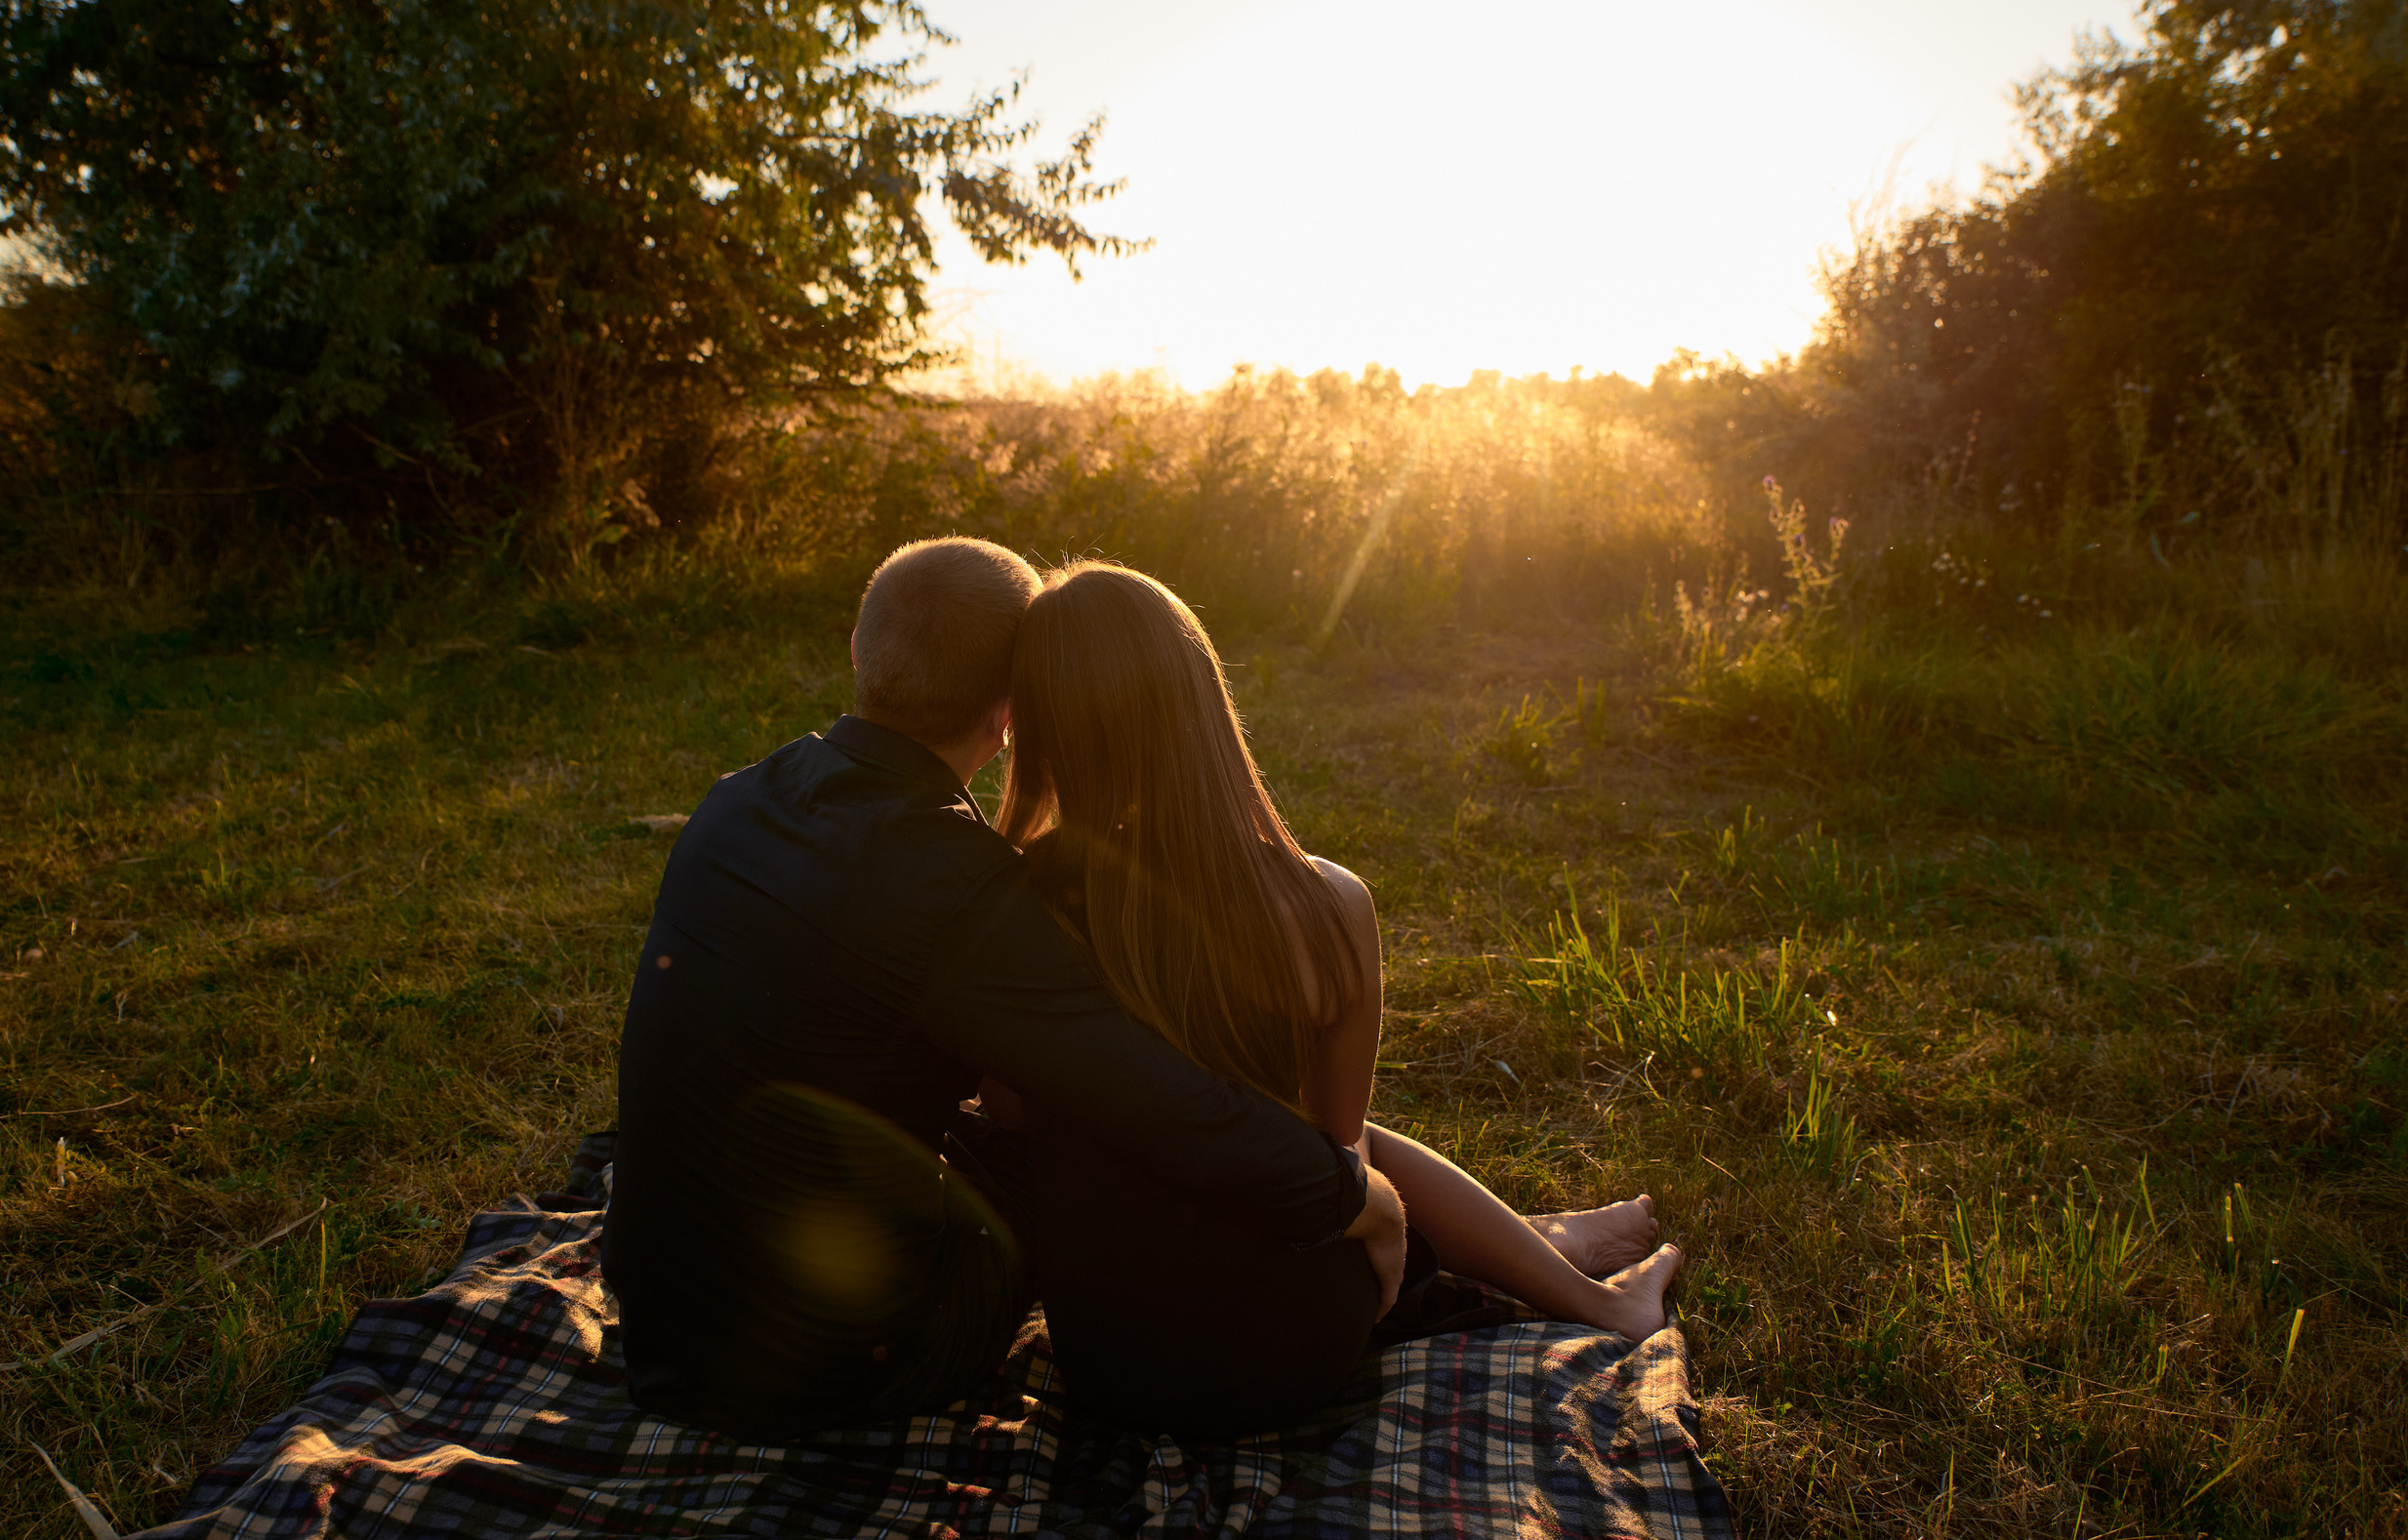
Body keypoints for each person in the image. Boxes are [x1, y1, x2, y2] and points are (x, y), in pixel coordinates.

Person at [601, 536, 1408, 1442]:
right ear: (1012, 715)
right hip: (833, 1365)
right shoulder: (953, 889)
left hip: (662, 1325)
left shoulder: (734, 802)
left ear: (861, 655)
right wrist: (1351, 1195)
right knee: (1103, 1142)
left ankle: (1550, 1249)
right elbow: (1167, 1105)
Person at [985, 560, 1683, 1437]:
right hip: (1299, 1344)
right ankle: (1582, 1282)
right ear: (1202, 703)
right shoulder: (1327, 904)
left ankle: (1556, 1250)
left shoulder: (1019, 905)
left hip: (1112, 1362)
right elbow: (1338, 1144)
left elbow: (1009, 1109)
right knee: (1347, 1148)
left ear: (1040, 727)